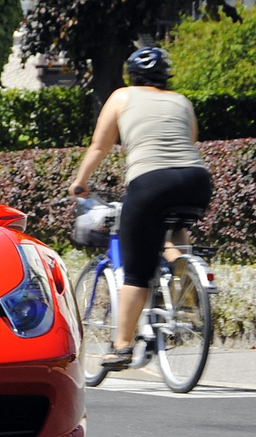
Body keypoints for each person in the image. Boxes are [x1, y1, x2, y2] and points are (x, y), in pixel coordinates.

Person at [67, 47, 212, 372]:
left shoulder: (121, 97)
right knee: (173, 228)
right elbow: (189, 140)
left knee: (136, 271)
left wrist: (80, 181)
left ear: (132, 75)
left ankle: (121, 346)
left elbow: (100, 145)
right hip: (196, 180)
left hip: (150, 183)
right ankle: (186, 287)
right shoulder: (181, 101)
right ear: (166, 76)